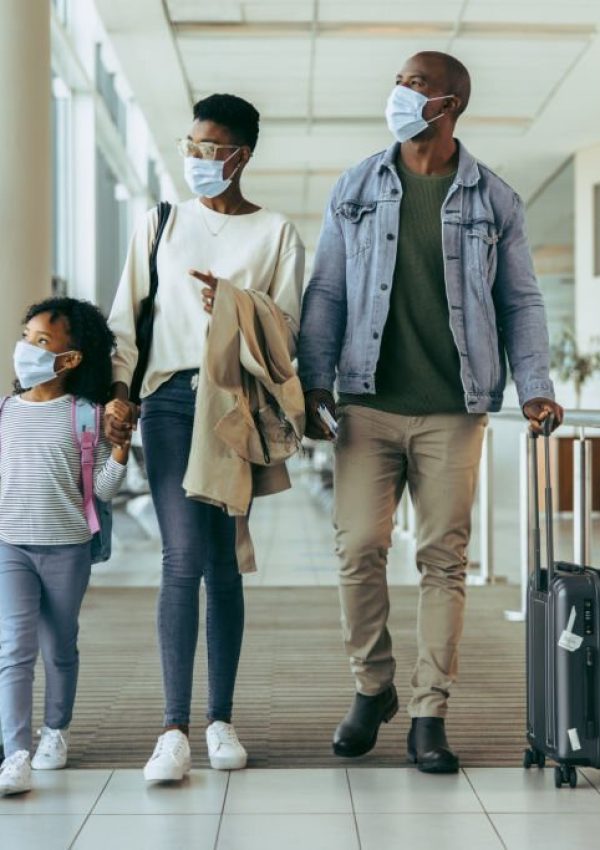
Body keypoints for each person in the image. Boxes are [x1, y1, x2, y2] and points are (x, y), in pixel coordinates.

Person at [298, 51, 564, 773]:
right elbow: (325, 292)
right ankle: (371, 686)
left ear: (449, 105)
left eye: (415, 84)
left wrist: (535, 382)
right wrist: (314, 382)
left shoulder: (493, 199)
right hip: (366, 405)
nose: (399, 92)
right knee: (358, 551)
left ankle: (428, 711)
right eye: (398, 80)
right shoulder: (356, 186)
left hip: (455, 408)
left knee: (444, 561)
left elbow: (521, 301)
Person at [106, 93, 304, 780]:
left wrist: (238, 310)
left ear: (240, 155)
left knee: (223, 561)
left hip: (235, 407)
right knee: (181, 555)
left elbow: (289, 335)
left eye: (208, 149)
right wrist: (118, 395)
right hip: (167, 403)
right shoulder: (160, 221)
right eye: (189, 146)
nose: (194, 159)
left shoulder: (276, 232)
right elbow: (125, 318)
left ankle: (221, 721)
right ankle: (173, 730)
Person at [0, 298, 129, 797]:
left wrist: (119, 447)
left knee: (59, 643)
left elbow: (101, 488)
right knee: (14, 646)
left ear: (70, 359)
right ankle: (14, 753)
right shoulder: (7, 412)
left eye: (40, 342)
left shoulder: (85, 416)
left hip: (67, 548)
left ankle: (55, 729)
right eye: (26, 337)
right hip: (11, 545)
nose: (25, 349)